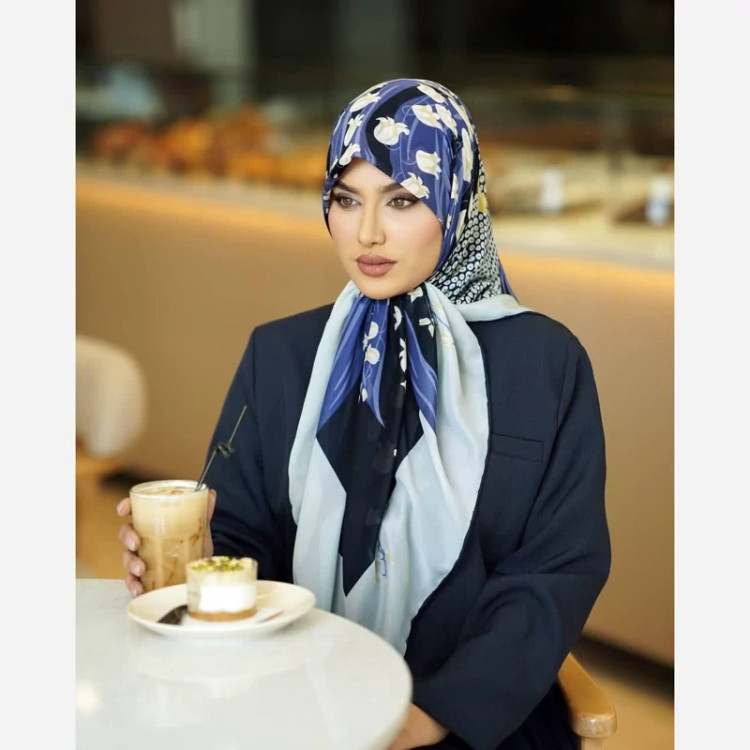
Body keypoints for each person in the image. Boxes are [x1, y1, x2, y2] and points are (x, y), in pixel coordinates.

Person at [117, 78, 610, 750]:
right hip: (295, 699)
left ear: (457, 200)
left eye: (402, 200)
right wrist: (205, 558)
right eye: (347, 199)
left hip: (472, 721)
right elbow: (239, 530)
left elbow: (555, 570)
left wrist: (424, 717)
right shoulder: (281, 354)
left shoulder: (543, 363)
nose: (367, 233)